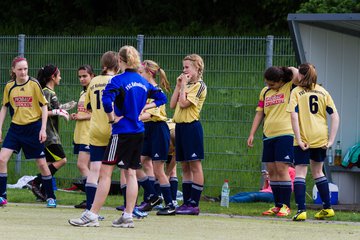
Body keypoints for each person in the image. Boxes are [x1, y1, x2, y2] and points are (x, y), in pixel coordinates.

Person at [68, 45, 167, 228]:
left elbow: (106, 102)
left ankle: (92, 214)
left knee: (105, 172)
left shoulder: (118, 80)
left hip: (120, 132)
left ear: (120, 61)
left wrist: (112, 119)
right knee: (130, 173)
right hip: (138, 132)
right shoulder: (142, 81)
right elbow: (162, 98)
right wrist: (144, 108)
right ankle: (128, 215)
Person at [0, 56, 56, 208]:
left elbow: (44, 106)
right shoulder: (9, 86)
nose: (23, 72)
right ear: (13, 70)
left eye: (25, 68)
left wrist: (43, 129)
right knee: (2, 159)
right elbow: (4, 107)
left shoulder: (34, 84)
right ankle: (2, 196)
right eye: (19, 69)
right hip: (15, 129)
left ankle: (51, 197)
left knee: (42, 164)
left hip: (33, 128)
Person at [287, 63, 339, 221]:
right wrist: (330, 140)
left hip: (305, 137)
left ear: (301, 76)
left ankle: (301, 210)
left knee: (301, 173)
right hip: (321, 137)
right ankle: (327, 208)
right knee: (318, 172)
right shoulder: (323, 91)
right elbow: (335, 116)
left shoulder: (296, 92)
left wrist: (300, 139)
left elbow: (294, 116)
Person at [247, 66, 298, 217]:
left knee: (282, 169)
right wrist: (252, 134)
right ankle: (277, 205)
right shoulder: (265, 91)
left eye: (272, 84)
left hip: (286, 134)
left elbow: (296, 73)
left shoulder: (290, 87)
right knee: (272, 170)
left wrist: (285, 69)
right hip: (268, 135)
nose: (269, 86)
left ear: (281, 80)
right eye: (267, 83)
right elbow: (259, 113)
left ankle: (286, 206)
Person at [30, 64, 74, 201]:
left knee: (49, 164)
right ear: (53, 77)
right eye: (59, 75)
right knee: (62, 160)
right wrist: (58, 111)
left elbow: (55, 109)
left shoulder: (50, 92)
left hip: (50, 134)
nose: (60, 78)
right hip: (49, 135)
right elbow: (40, 112)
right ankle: (35, 182)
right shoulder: (46, 92)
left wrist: (66, 107)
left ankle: (43, 192)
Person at [170, 54, 207, 215]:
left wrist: (184, 86)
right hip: (180, 128)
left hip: (192, 127)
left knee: (194, 164)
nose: (184, 70)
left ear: (197, 68)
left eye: (187, 67)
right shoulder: (185, 85)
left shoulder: (199, 86)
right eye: (183, 67)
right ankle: (186, 202)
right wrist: (179, 86)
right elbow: (172, 104)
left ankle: (194, 204)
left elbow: (184, 104)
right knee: (184, 165)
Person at [82, 51, 119, 211]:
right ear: (117, 65)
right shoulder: (116, 80)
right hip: (113, 129)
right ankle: (128, 209)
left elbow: (88, 106)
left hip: (95, 129)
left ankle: (90, 208)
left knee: (94, 169)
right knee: (126, 170)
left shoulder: (94, 81)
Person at [138, 59, 174, 215]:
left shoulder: (156, 90)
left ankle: (170, 204)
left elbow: (147, 114)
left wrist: (132, 117)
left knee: (159, 169)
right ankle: (153, 196)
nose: (138, 75)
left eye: (140, 72)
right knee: (141, 161)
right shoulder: (145, 90)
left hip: (159, 129)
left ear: (148, 73)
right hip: (148, 129)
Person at [70, 65, 94, 208]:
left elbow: (97, 114)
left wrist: (82, 116)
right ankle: (90, 199)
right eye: (80, 76)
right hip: (80, 134)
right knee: (89, 168)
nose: (82, 79)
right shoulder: (83, 92)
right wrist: (77, 116)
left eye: (85, 76)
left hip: (89, 135)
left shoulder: (93, 91)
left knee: (81, 165)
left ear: (92, 75)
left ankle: (92, 198)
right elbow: (84, 112)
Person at [230, 167, 295, 203]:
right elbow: (265, 189)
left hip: (275, 195)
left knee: (253, 196)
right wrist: (267, 179)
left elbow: (289, 189)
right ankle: (224, 199)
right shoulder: (277, 168)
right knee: (243, 193)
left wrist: (272, 178)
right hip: (267, 192)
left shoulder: (292, 171)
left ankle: (229, 201)